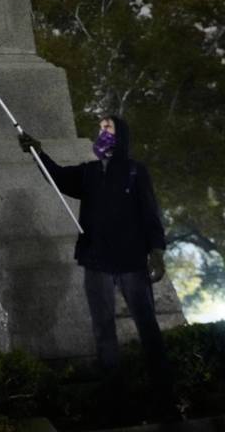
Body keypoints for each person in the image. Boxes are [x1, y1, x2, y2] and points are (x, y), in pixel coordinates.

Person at [18, 116, 170, 377]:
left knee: (146, 324)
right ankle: (113, 392)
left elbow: (150, 213)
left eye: (108, 128)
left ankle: (163, 387)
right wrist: (38, 153)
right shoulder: (88, 171)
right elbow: (59, 179)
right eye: (100, 129)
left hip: (131, 261)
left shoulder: (135, 171)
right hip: (96, 261)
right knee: (102, 327)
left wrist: (157, 251)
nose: (103, 132)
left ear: (121, 134)